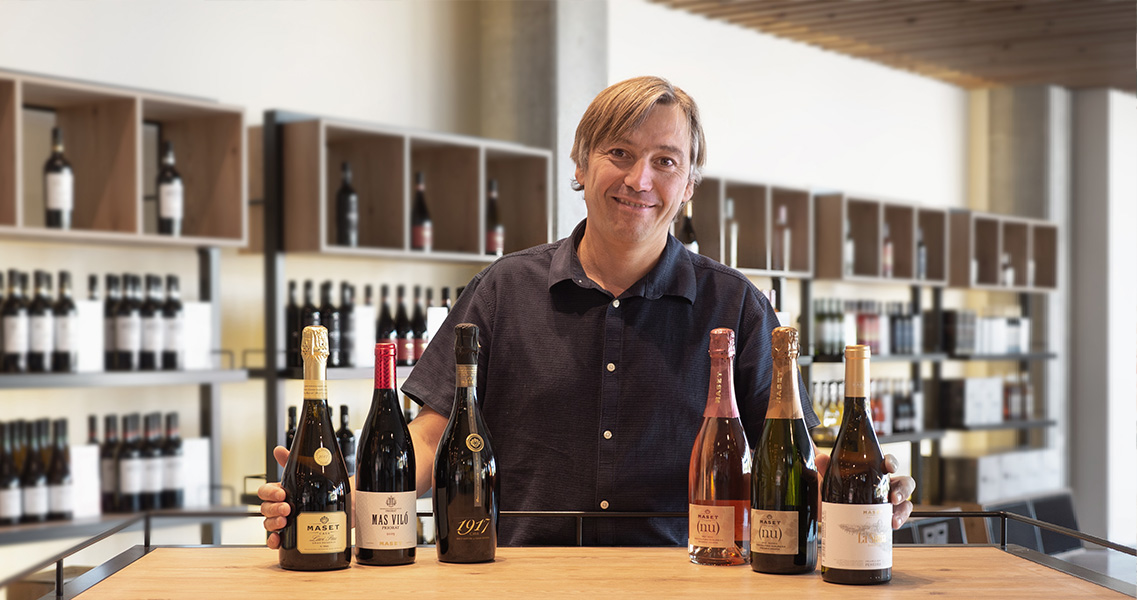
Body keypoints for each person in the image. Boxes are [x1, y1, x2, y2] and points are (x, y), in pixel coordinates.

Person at [260, 75, 915, 547]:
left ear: (688, 186)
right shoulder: (502, 290)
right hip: (515, 582)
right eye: (619, 154)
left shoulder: (737, 306)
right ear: (580, 164)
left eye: (665, 162)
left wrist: (851, 487)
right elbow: (429, 438)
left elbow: (786, 456)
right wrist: (332, 498)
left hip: (686, 582)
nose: (639, 182)